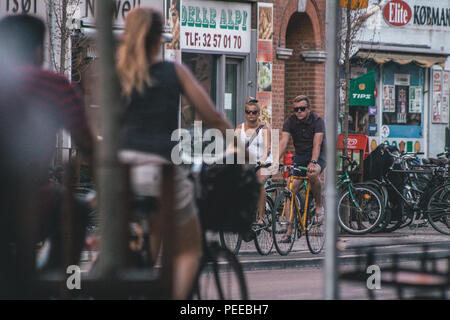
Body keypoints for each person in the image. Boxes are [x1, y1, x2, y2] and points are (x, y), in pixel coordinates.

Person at [116, 7, 232, 300]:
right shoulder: (172, 71)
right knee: (189, 248)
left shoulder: (119, 72)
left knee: (148, 243)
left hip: (122, 172)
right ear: (160, 40)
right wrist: (239, 152)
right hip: (160, 169)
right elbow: (214, 117)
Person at [0, 14, 94, 293]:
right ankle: (54, 284)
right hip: (36, 201)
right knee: (77, 212)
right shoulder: (54, 85)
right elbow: (88, 145)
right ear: (37, 50)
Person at [278, 95, 326, 242]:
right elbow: (284, 141)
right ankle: (289, 231)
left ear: (309, 109)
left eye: (302, 109)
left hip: (319, 154)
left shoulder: (317, 121)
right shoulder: (290, 121)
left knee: (312, 174)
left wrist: (313, 162)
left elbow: (317, 144)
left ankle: (318, 206)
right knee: (289, 191)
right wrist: (275, 160)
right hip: (300, 156)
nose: (299, 112)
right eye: (296, 109)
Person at [235, 97, 272, 226]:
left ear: (258, 113)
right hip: (248, 163)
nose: (251, 115)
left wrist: (262, 159)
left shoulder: (264, 129)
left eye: (254, 112)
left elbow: (267, 148)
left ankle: (261, 217)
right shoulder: (239, 128)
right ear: (245, 113)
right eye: (248, 112)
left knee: (259, 182)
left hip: (265, 162)